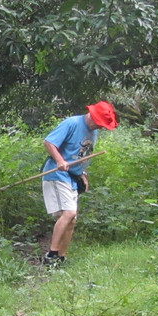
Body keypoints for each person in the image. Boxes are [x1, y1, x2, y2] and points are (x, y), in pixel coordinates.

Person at [40, 100, 117, 268]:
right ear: (92, 116)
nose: (100, 127)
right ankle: (51, 255)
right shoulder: (72, 123)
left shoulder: (93, 131)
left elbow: (81, 155)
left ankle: (61, 257)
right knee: (69, 213)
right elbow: (49, 142)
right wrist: (59, 160)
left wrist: (82, 174)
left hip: (73, 177)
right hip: (57, 173)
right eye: (100, 123)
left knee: (72, 220)